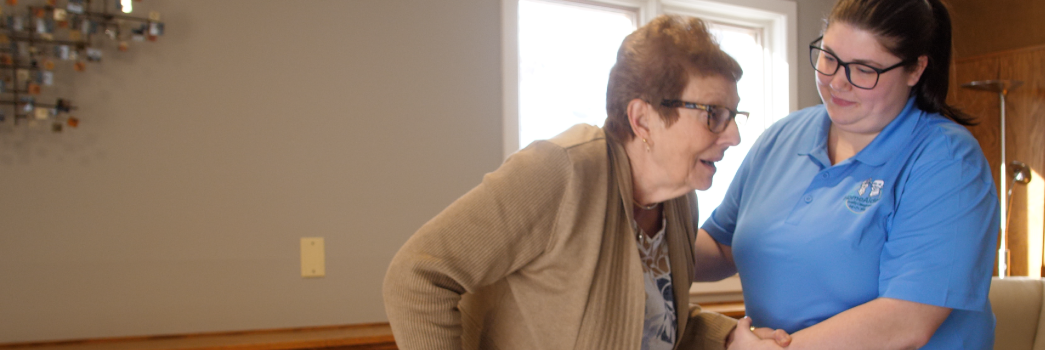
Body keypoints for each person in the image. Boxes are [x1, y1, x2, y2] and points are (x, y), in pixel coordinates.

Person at [382, 15, 791, 350]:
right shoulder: (562, 172)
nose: (733, 136)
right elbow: (417, 277)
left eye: (734, 116)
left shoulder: (679, 200)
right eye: (713, 114)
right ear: (643, 119)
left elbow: (650, 323)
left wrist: (729, 338)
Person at [696, 0, 1001, 349]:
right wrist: (641, 248)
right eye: (829, 58)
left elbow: (907, 320)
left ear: (915, 70)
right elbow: (723, 246)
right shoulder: (783, 136)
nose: (838, 82)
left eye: (864, 69)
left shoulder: (947, 161)